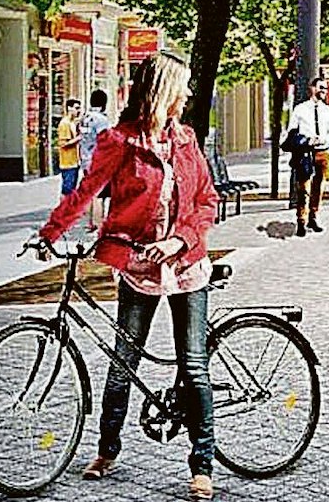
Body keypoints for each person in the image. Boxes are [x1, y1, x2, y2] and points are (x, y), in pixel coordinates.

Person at [36, 53, 220, 499]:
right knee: (123, 363)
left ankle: (202, 463)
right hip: (138, 267)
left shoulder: (187, 139)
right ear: (163, 91)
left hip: (186, 265)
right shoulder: (120, 140)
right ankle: (107, 448)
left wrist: (178, 240)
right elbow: (85, 190)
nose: (189, 94)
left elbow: (206, 201)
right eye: (184, 86)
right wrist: (50, 232)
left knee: (193, 366)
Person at [286, 77, 329, 236]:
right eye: (320, 88)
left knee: (319, 186)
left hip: (323, 151)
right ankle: (301, 219)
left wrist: (325, 139)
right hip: (305, 152)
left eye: (325, 88)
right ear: (312, 88)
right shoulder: (300, 109)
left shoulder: (327, 110)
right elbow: (292, 130)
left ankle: (313, 216)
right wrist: (307, 139)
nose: (323, 91)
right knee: (303, 188)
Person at [80, 89, 114, 225]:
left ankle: (90, 222)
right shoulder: (101, 119)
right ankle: (98, 223)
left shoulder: (85, 117)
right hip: (97, 160)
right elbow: (105, 140)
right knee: (99, 194)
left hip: (85, 158)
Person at [56, 99, 84, 196]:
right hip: (67, 162)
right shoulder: (65, 124)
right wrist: (79, 138)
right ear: (69, 108)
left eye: (79, 108)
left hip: (74, 161)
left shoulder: (72, 123)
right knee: (67, 190)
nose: (78, 111)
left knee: (71, 189)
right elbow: (63, 143)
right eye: (76, 108)